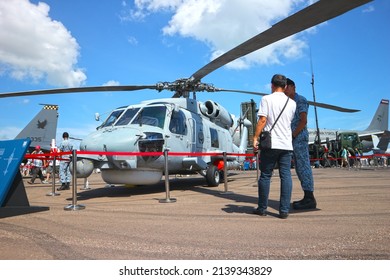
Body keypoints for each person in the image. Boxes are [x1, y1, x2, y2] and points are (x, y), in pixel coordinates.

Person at [252, 74, 296, 219]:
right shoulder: (292, 103)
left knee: (265, 175)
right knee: (286, 176)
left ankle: (262, 208)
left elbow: (263, 120)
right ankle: (284, 210)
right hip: (286, 144)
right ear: (285, 87)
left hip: (270, 144)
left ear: (271, 85)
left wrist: (255, 138)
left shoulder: (266, 99)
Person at [284, 78, 317, 210]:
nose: (285, 90)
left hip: (299, 138)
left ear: (293, 87)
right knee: (298, 167)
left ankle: (310, 198)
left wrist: (293, 134)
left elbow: (303, 121)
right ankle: (307, 196)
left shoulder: (300, 100)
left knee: (303, 166)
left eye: (286, 87)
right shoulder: (288, 102)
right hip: (293, 139)